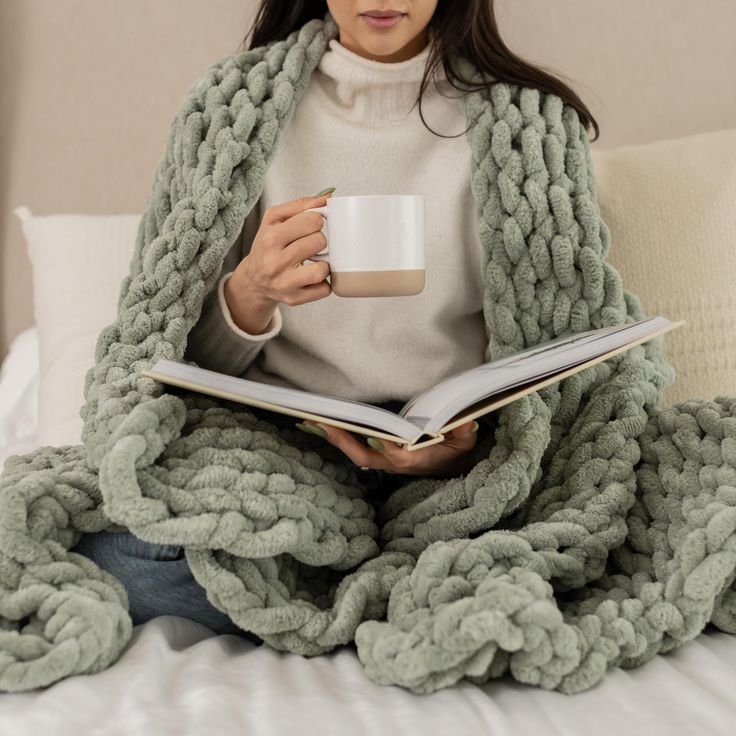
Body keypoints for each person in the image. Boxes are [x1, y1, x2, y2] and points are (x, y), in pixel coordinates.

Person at [72, 0, 600, 637]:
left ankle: (332, 588)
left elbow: (566, 357)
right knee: (135, 554)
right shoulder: (229, 107)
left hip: (463, 461)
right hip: (283, 446)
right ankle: (406, 591)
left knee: (597, 527)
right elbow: (167, 360)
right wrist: (249, 293)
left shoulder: (534, 124)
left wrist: (464, 451)